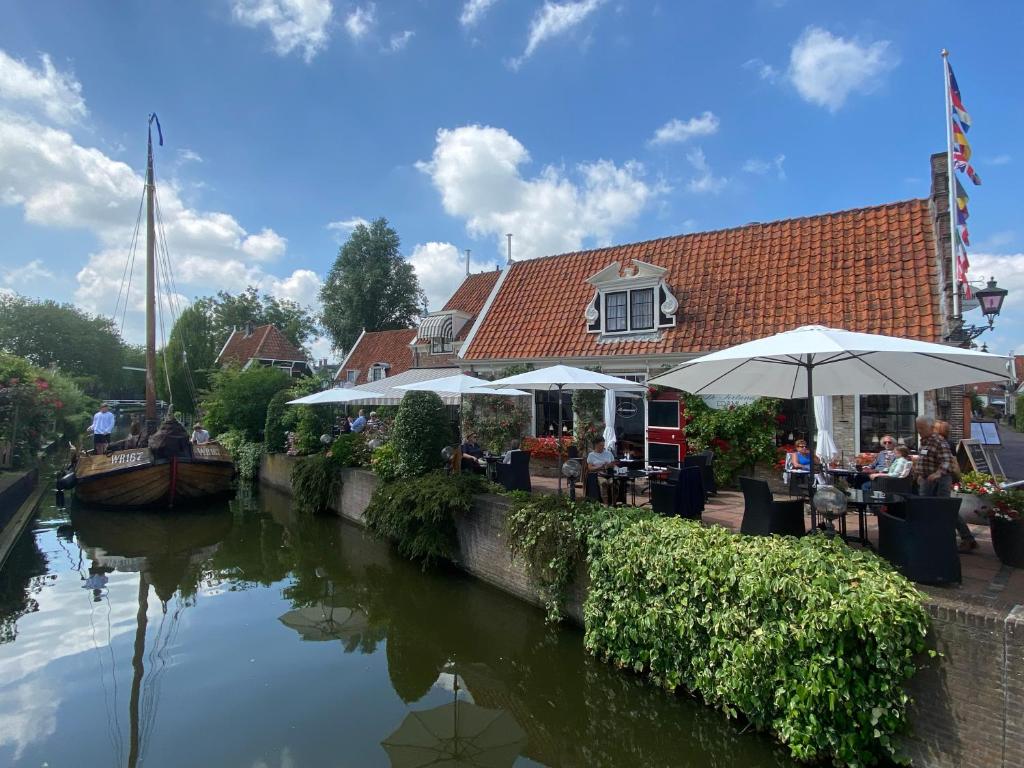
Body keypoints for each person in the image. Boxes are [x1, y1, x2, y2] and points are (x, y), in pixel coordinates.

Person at [916, 415, 977, 552]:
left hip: (940, 481)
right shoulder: (924, 441)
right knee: (927, 508)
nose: (919, 430)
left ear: (931, 428)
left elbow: (947, 461)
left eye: (921, 428)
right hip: (926, 480)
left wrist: (937, 473)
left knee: (945, 509)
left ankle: (967, 539)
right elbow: (926, 459)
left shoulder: (939, 441)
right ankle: (932, 537)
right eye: (917, 427)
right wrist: (920, 474)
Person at [587, 437, 618, 506]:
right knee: (604, 483)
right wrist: (600, 467)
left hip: (609, 473)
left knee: (615, 483)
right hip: (599, 474)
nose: (602, 447)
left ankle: (614, 503)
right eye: (600, 445)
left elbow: (613, 464)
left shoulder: (608, 453)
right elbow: (590, 468)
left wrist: (610, 465)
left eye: (603, 445)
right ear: (596, 445)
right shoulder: (591, 455)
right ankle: (605, 503)